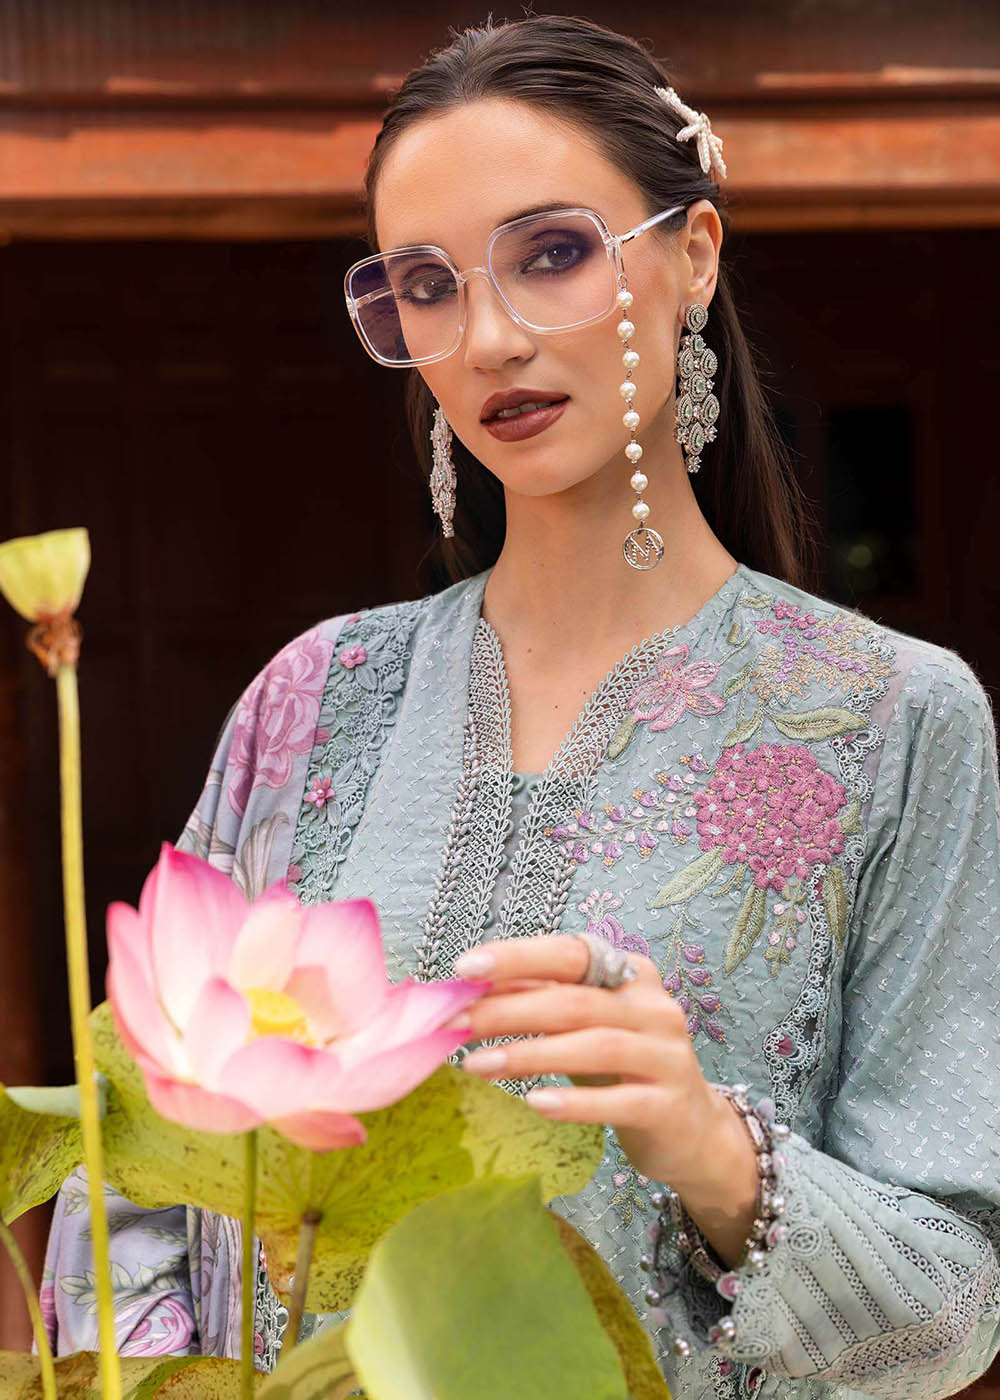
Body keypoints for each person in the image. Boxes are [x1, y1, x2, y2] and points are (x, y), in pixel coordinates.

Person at [42, 14, 1000, 1398]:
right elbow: (125, 1167)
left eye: (551, 254)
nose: (488, 337)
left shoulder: (894, 721)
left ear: (693, 254)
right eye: (426, 286)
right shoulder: (314, 697)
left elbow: (960, 1294)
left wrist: (715, 1154)